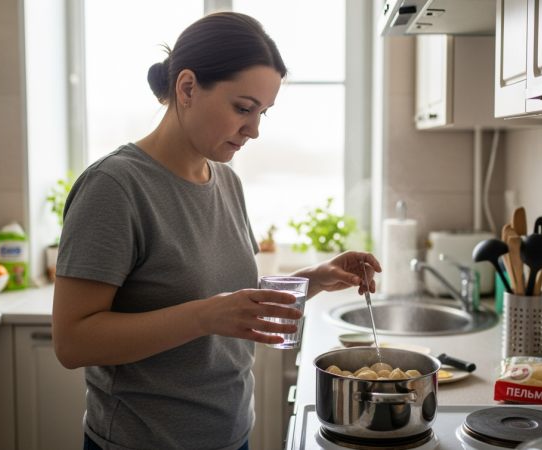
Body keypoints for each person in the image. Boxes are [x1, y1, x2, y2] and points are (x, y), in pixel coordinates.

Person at [52, 12, 381, 450]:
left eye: (262, 112)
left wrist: (314, 278)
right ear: (187, 88)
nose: (255, 130)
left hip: (230, 436)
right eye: (243, 108)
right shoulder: (115, 187)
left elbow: (226, 295)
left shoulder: (225, 180)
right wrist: (203, 316)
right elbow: (72, 342)